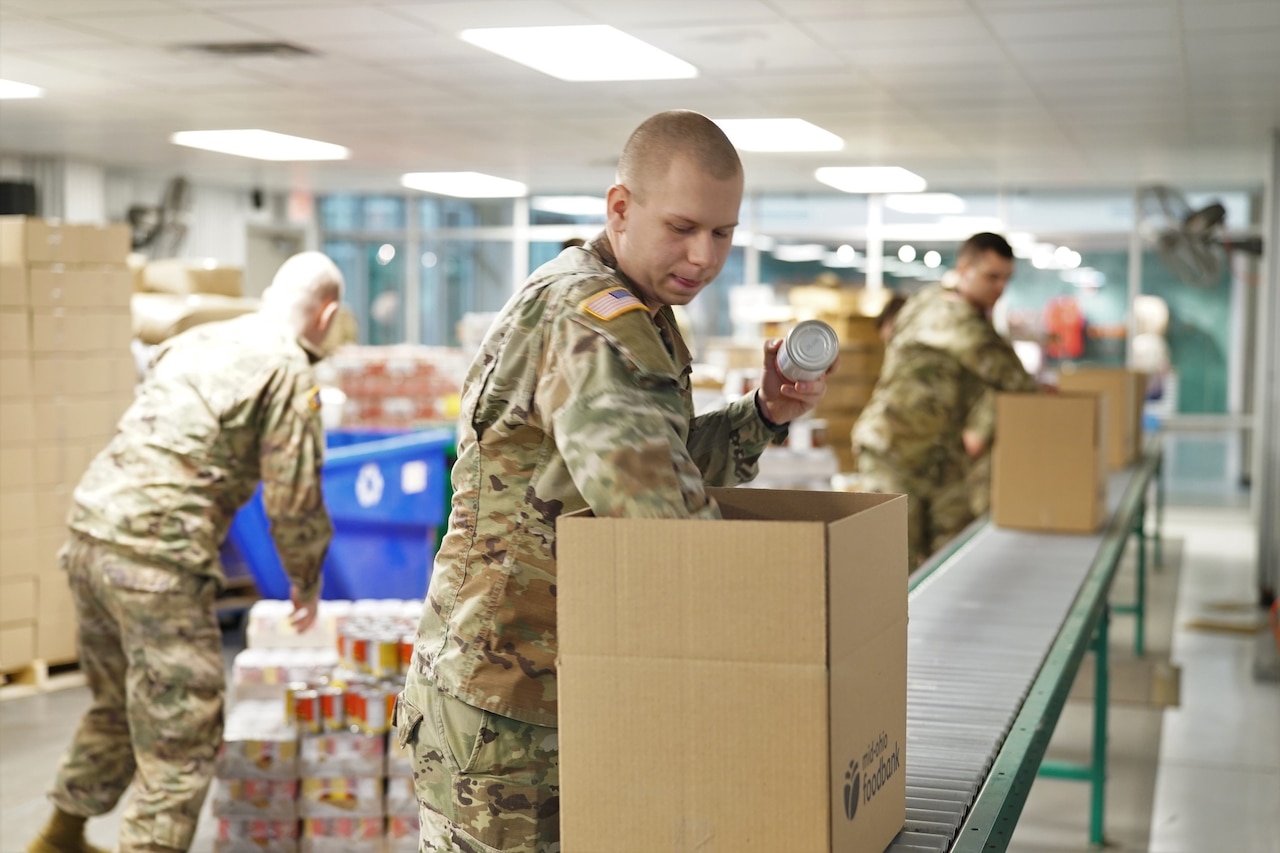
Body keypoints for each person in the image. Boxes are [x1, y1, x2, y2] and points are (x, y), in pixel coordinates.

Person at [397, 110, 832, 852]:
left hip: (542, 681)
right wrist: (783, 646)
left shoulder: (623, 301)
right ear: (621, 208)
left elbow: (649, 457)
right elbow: (662, 516)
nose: (703, 256)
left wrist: (762, 414)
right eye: (683, 226)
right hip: (512, 707)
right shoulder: (596, 320)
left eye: (723, 233)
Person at [27, 252, 344, 853]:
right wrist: (305, 580)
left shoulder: (199, 339)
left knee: (119, 703)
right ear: (327, 315)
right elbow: (293, 497)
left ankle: (58, 837)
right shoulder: (289, 371)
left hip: (90, 533)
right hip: (157, 559)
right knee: (183, 731)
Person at [853, 232, 1038, 568]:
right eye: (991, 277)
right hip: (894, 454)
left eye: (1006, 279)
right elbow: (1013, 378)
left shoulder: (936, 302)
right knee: (893, 572)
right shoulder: (948, 315)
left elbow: (990, 389)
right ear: (964, 268)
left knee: (954, 563)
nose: (999, 288)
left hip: (941, 460)